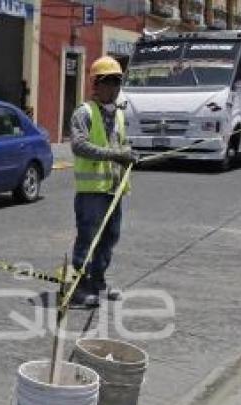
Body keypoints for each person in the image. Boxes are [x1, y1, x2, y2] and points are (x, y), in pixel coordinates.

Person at [69, 56, 138, 307]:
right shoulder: (84, 112)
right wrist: (116, 155)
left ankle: (98, 282)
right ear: (95, 84)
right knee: (88, 238)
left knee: (110, 238)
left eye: (117, 82)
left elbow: (121, 145)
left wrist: (129, 155)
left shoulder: (119, 115)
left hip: (113, 189)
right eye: (107, 81)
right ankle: (79, 287)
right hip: (91, 192)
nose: (113, 87)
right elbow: (79, 146)